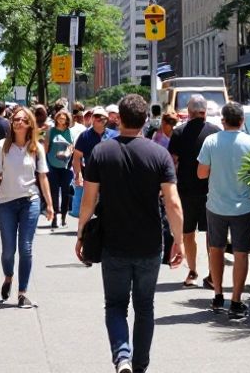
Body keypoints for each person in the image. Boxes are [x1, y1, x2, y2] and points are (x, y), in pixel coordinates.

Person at [77, 94, 184, 373]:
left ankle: (122, 356)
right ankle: (139, 367)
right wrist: (179, 241)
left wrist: (80, 234)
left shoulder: (101, 152)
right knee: (145, 307)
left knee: (114, 305)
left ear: (118, 119)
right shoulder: (159, 154)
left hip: (114, 242)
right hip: (150, 243)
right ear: (145, 120)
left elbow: (88, 200)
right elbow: (172, 202)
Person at [196, 102, 250, 319]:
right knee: (241, 253)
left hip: (216, 205)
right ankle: (235, 300)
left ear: (223, 121)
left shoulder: (211, 141)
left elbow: (201, 174)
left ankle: (217, 296)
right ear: (242, 121)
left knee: (215, 249)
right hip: (243, 207)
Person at [0, 106, 54, 308]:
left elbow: (42, 177)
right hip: (6, 202)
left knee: (25, 248)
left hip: (29, 201)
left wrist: (49, 204)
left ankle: (22, 292)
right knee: (8, 250)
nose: (19, 123)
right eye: (15, 119)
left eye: (23, 120)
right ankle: (8, 276)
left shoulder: (36, 148)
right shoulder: (2, 147)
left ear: (30, 124)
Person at [167, 94, 220, 287]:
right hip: (210, 191)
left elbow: (172, 162)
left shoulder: (179, 132)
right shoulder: (215, 131)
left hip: (186, 190)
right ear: (205, 112)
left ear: (188, 113)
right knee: (211, 234)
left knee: (188, 233)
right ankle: (213, 274)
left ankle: (192, 271)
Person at [72, 107, 113, 223]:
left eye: (102, 117)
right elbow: (76, 158)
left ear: (107, 119)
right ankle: (85, 228)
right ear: (91, 119)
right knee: (89, 204)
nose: (99, 119)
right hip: (91, 176)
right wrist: (78, 175)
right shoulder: (84, 136)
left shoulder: (114, 135)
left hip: (110, 176)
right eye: (96, 116)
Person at [44, 109, 76, 228]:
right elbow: (46, 146)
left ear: (67, 120)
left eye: (64, 118)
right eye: (59, 118)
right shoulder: (51, 131)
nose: (61, 120)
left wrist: (68, 153)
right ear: (56, 118)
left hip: (65, 165)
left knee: (66, 192)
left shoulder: (69, 132)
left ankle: (63, 217)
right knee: (54, 191)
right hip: (52, 164)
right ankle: (54, 217)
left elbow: (72, 146)